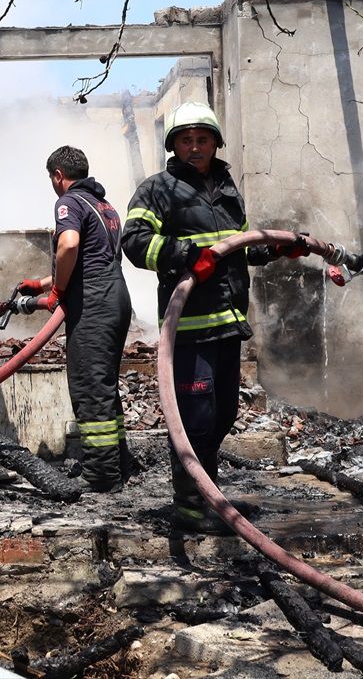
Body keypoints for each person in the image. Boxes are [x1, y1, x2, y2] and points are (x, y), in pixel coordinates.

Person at [121, 101, 307, 532]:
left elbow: (235, 246)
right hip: (188, 327)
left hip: (227, 323)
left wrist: (276, 247)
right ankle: (190, 508)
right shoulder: (158, 190)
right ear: (174, 146)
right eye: (185, 140)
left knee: (222, 414)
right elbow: (134, 243)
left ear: (216, 142)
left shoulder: (225, 186)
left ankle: (207, 492)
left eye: (202, 139)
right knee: (195, 419)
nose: (195, 147)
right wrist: (187, 255)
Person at [16, 146, 134, 492]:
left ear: (57, 175)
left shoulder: (69, 202)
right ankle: (117, 462)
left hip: (94, 302)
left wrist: (56, 294)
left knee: (89, 388)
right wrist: (41, 283)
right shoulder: (104, 206)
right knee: (105, 387)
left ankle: (100, 476)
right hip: (115, 296)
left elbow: (68, 246)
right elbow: (91, 256)